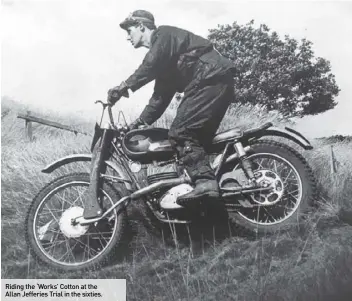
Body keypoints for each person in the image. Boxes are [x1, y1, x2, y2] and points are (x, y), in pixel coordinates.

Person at [108, 10, 236, 206]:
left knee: (180, 132)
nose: (127, 37)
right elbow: (160, 97)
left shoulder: (164, 36)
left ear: (142, 26)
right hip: (212, 82)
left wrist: (124, 86)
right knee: (196, 141)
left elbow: (150, 64)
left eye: (129, 30)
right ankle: (210, 189)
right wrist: (139, 124)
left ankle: (205, 183)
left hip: (210, 80)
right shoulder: (166, 59)